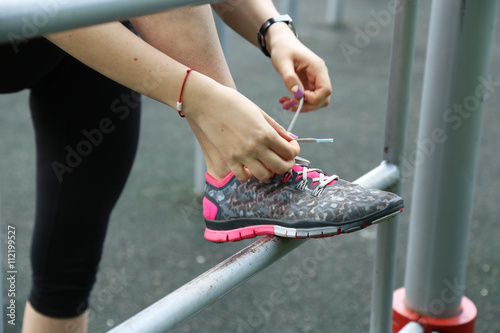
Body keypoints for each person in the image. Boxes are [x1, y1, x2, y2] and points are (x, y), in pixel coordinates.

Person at [0, 1, 403, 332]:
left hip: (93, 29)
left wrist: (273, 28)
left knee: (66, 275)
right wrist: (197, 96)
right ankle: (238, 172)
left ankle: (240, 176)